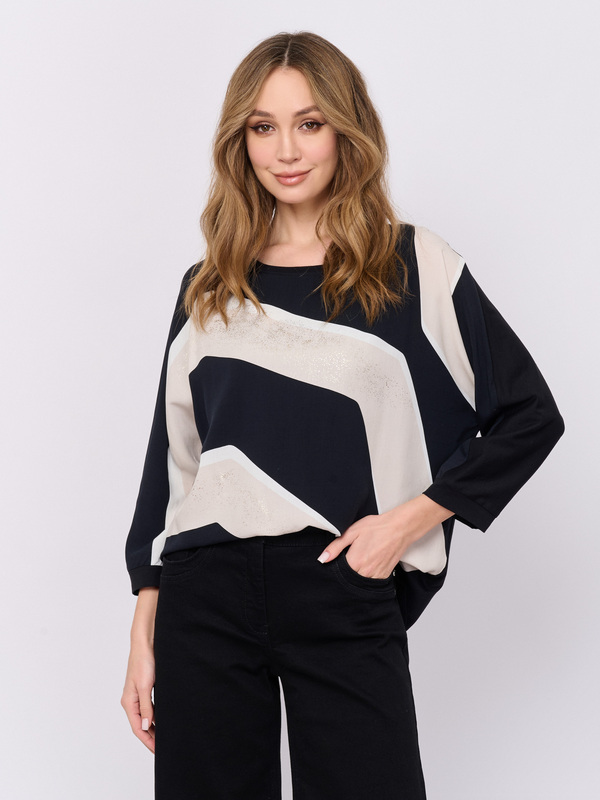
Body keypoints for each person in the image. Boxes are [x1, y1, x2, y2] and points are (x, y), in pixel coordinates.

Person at [120, 31, 564, 800]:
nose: (287, 150)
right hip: (204, 594)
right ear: (240, 142)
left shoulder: (412, 266)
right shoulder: (208, 287)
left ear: (345, 131)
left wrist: (404, 524)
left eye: (310, 123)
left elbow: (530, 416)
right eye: (263, 127)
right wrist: (143, 622)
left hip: (341, 582)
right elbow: (174, 463)